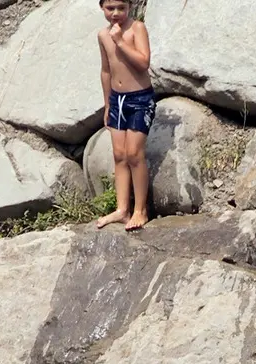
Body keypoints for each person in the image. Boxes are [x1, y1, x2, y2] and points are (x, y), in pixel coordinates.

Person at [93, 0, 154, 232]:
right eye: (110, 9)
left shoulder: (136, 28)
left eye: (121, 8)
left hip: (139, 98)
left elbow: (143, 62)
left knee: (134, 154)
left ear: (129, 7)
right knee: (119, 155)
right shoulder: (102, 35)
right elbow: (106, 70)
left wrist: (120, 41)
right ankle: (122, 209)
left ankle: (140, 210)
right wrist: (107, 103)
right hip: (117, 100)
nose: (116, 13)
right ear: (102, 8)